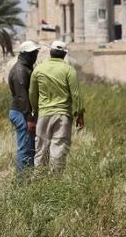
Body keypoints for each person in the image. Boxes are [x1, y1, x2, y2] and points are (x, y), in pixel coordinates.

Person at [29, 40, 84, 171]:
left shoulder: (38, 69)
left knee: (41, 149)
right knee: (58, 150)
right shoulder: (69, 70)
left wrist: (34, 111)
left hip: (43, 115)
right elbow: (76, 94)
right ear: (64, 55)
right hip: (62, 116)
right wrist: (79, 115)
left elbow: (32, 93)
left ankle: (39, 180)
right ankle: (55, 182)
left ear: (50, 53)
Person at [7, 40, 41, 175]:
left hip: (24, 113)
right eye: (33, 53)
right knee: (25, 149)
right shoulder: (20, 70)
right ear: (24, 54)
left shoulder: (26, 67)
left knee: (30, 148)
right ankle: (22, 183)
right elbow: (22, 97)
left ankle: (28, 179)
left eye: (36, 52)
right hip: (21, 113)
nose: (35, 55)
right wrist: (30, 119)